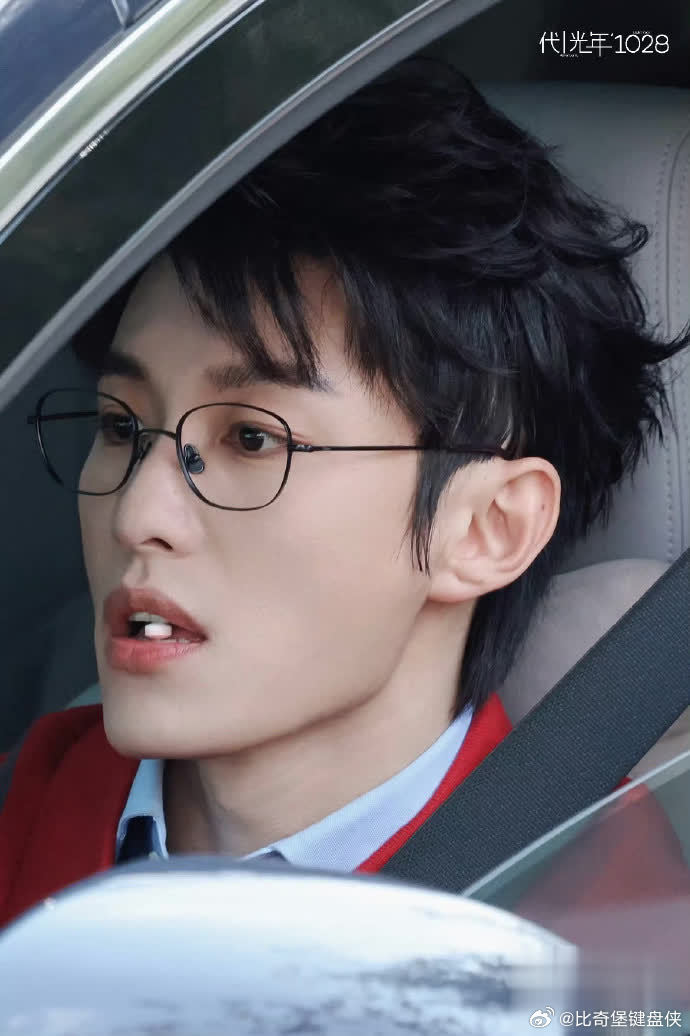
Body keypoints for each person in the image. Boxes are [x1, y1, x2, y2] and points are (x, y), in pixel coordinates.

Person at [1, 58, 688, 929]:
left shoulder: (606, 938)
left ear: (487, 527)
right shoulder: (29, 800)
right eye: (120, 427)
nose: (138, 515)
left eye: (253, 439)